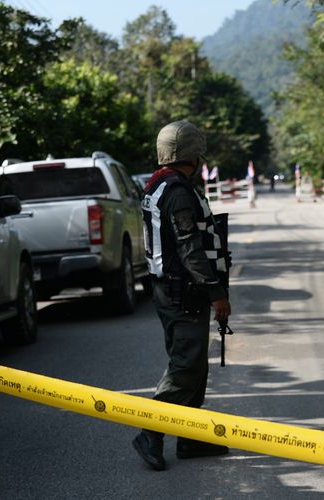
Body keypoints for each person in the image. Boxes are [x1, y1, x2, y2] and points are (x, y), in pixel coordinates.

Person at [133, 120, 232, 471]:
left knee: (194, 365)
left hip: (171, 289)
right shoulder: (177, 192)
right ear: (192, 154)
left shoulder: (160, 184)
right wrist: (216, 294)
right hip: (184, 291)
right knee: (186, 366)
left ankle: (189, 437)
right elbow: (190, 249)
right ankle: (151, 432)